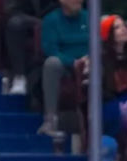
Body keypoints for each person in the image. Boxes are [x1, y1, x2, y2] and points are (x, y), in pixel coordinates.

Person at [39, 0, 89, 136]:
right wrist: (73, 62)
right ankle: (50, 120)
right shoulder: (51, 20)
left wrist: (88, 59)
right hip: (66, 65)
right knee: (51, 63)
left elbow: (99, 44)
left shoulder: (89, 17)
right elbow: (51, 49)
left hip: (89, 63)